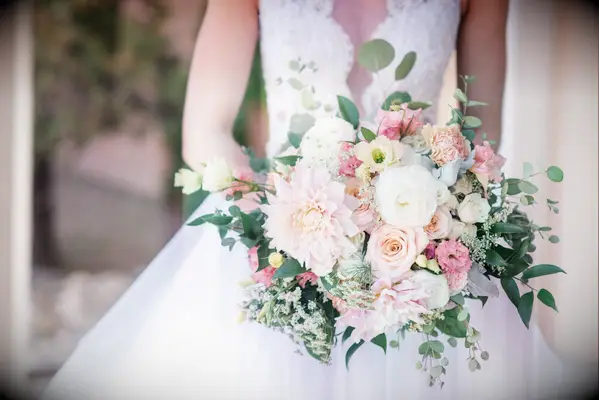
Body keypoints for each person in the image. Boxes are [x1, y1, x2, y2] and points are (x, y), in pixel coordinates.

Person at [42, 1, 562, 399]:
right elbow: (206, 130)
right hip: (274, 238)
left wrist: (436, 225)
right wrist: (284, 228)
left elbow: (481, 143)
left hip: (419, 259)